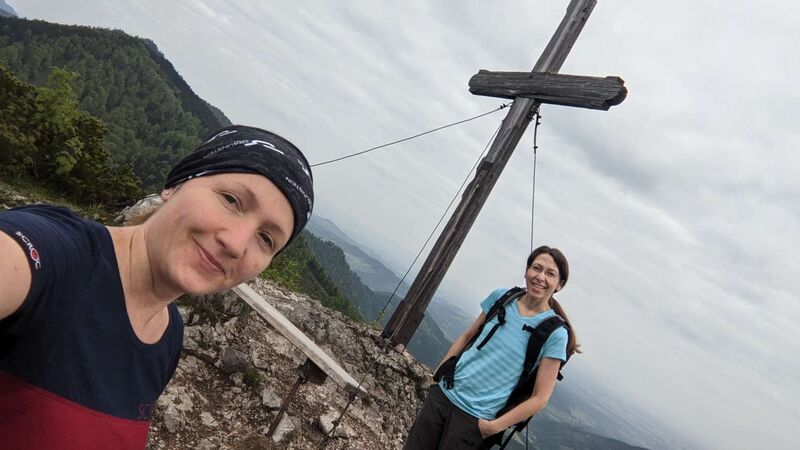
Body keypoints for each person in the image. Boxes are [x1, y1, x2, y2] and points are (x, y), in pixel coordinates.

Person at [0, 125, 314, 449]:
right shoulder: (62, 255)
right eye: (231, 200)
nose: (236, 244)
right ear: (176, 185)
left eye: (266, 239)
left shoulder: (168, 335)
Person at [403, 245, 580, 450]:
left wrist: (493, 427)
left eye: (550, 273)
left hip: (475, 420)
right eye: (536, 268)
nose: (540, 277)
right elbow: (468, 336)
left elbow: (540, 398)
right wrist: (437, 376)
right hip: (443, 395)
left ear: (559, 285)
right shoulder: (502, 297)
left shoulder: (555, 333)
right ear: (526, 271)